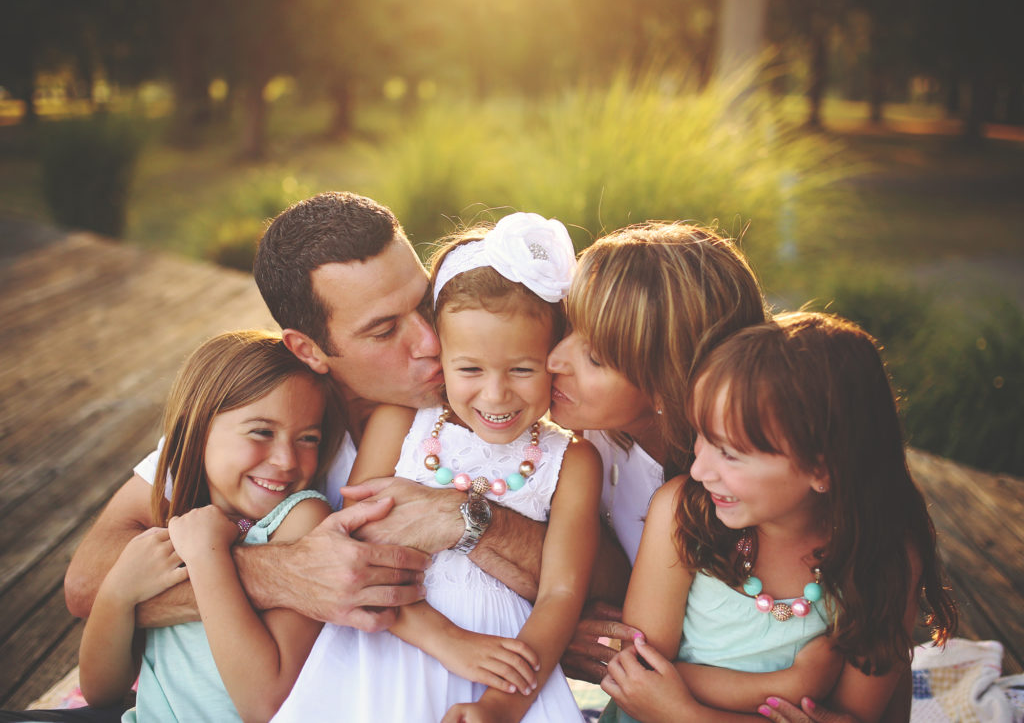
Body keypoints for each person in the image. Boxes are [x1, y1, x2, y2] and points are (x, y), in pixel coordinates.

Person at [64, 192, 554, 645]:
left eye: (424, 303)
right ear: (309, 349)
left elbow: (603, 580)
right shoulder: (261, 411)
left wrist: (465, 519)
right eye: (384, 330)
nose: (430, 341)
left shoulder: (497, 392)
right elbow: (87, 582)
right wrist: (283, 573)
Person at [273, 213, 602, 723]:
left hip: (507, 662)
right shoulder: (403, 421)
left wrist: (503, 704)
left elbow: (561, 592)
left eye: (522, 368)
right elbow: (354, 550)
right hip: (390, 642)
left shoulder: (573, 460)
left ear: (553, 358)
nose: (495, 394)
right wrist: (445, 639)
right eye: (469, 368)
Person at [598, 312, 958, 722]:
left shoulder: (883, 559)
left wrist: (687, 713)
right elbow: (639, 674)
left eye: (730, 453)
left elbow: (849, 718)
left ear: (822, 469)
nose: (699, 470)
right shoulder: (684, 514)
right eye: (702, 436)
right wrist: (789, 686)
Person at [78, 330, 343, 721]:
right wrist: (119, 592)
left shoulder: (299, 520)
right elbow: (102, 692)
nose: (287, 460)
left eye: (308, 438)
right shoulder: (173, 528)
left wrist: (207, 556)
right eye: (262, 432)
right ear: (196, 429)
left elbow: (266, 703)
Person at [545, 222, 769, 681]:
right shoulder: (591, 438)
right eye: (567, 326)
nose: (554, 360)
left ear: (670, 383)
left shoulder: (750, 491)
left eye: (595, 358)